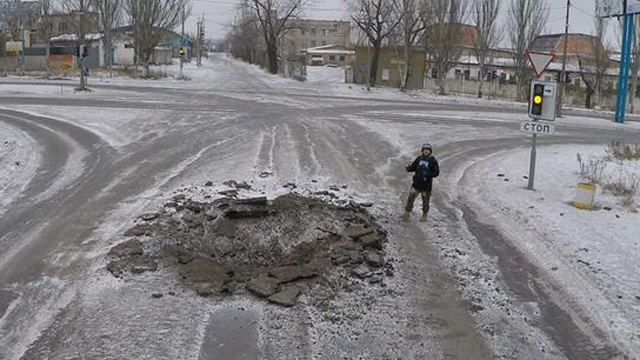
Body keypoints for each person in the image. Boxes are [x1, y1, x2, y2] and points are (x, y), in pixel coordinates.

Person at [401, 143, 440, 222]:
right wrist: (408, 168)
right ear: (422, 151)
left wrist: (427, 174)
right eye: (424, 150)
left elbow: (436, 173)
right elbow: (413, 167)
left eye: (427, 150)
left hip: (426, 186)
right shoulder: (419, 158)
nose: (426, 151)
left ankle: (424, 215)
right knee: (410, 199)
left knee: (425, 201)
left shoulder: (433, 160)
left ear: (430, 151)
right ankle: (407, 213)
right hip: (416, 184)